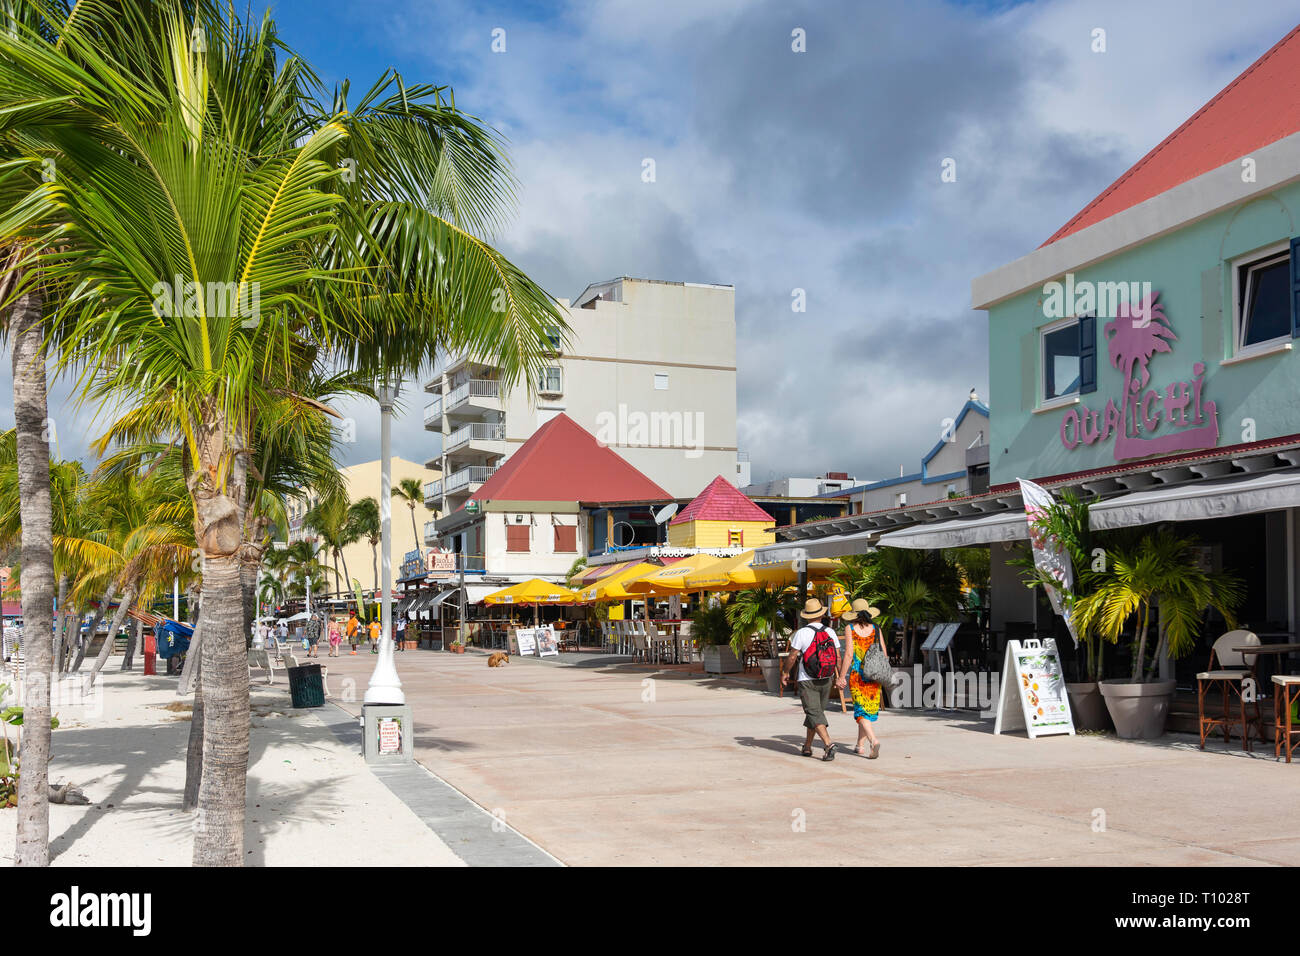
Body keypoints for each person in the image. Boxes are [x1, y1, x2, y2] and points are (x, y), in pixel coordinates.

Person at [784, 597, 841, 761]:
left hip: (806, 678)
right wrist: (840, 676)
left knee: (814, 712)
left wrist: (785, 672)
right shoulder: (830, 632)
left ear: (806, 616)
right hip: (826, 677)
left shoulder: (801, 633)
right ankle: (807, 746)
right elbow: (837, 657)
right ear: (822, 615)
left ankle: (828, 744)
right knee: (816, 713)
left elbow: (793, 656)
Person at [836, 598, 884, 759]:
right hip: (874, 675)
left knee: (860, 712)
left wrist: (841, 676)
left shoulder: (851, 628)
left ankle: (873, 740)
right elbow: (884, 653)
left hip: (858, 676)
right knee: (866, 710)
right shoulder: (876, 628)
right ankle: (860, 745)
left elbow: (849, 654)